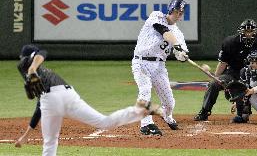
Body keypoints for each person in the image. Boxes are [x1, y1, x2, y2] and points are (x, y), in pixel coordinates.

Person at [17, 44, 162, 156]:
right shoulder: (43, 73)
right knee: (104, 122)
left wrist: (32, 68)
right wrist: (27, 134)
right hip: (62, 96)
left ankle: (139, 109)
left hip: (51, 100)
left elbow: (41, 53)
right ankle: (139, 109)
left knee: (50, 143)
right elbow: (39, 106)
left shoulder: (25, 64)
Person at [194, 19, 257, 122]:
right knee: (214, 84)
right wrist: (216, 77)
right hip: (233, 73)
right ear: (241, 32)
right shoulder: (230, 42)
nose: (248, 34)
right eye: (246, 31)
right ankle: (205, 112)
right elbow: (223, 63)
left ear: (256, 32)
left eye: (251, 31)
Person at [132, 0, 189, 135]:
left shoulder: (179, 34)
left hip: (159, 66)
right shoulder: (156, 16)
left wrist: (182, 55)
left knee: (169, 103)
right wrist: (177, 45)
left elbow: (182, 53)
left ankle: (167, 116)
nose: (178, 15)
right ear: (170, 10)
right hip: (141, 62)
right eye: (176, 11)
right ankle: (146, 124)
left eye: (181, 13)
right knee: (145, 91)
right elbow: (164, 31)